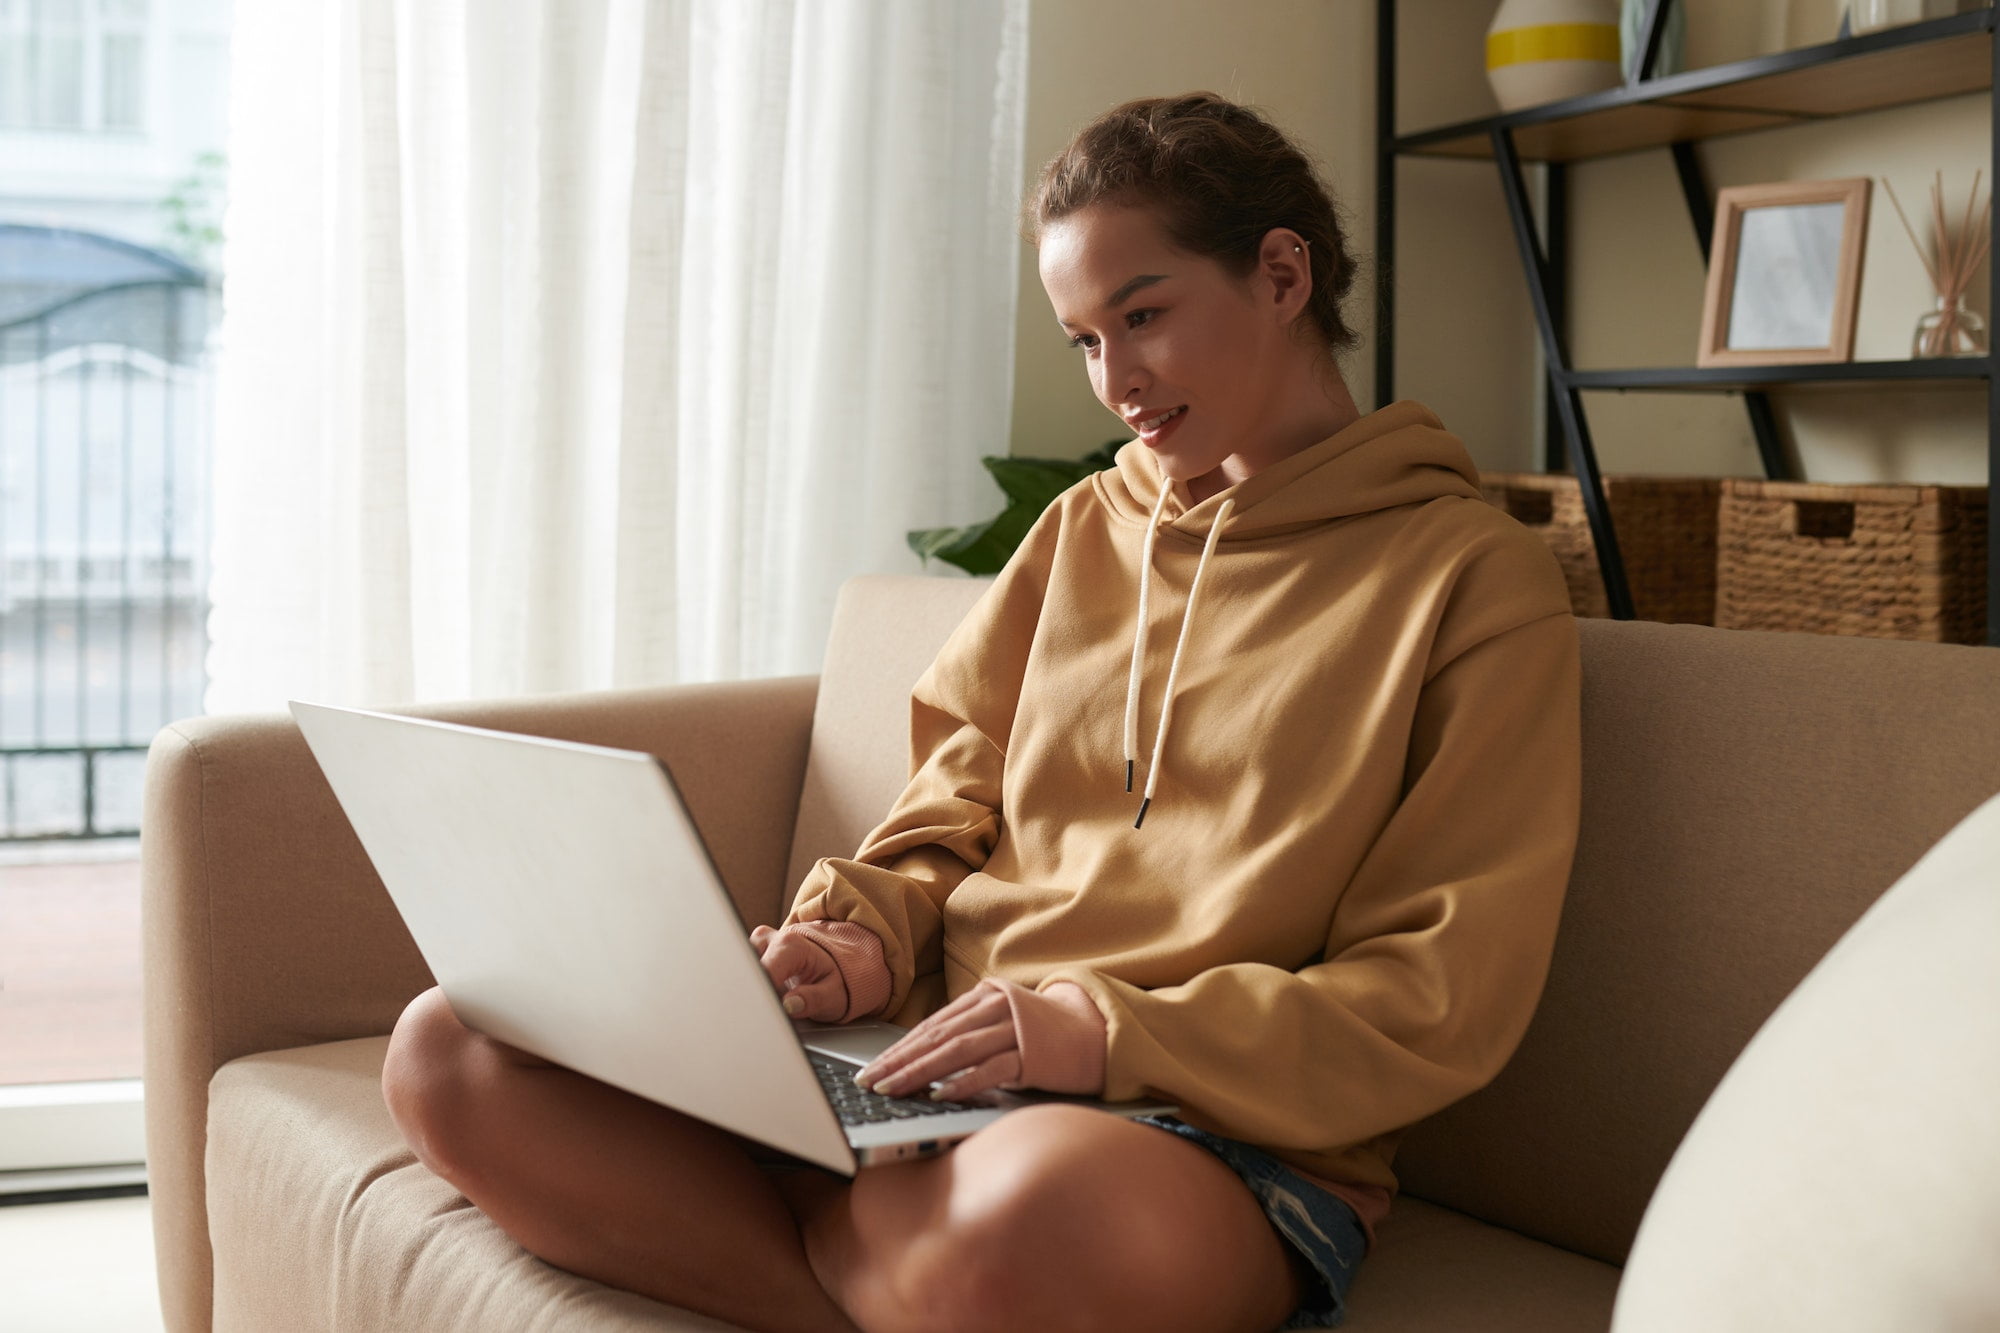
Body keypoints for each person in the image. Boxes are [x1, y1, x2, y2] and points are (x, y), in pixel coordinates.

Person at [380, 92, 1581, 1333]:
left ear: (1282, 273)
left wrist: (1089, 1031)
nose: (1115, 380)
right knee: (455, 1046)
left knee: (1025, 1220)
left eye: (1144, 315)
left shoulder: (1467, 578)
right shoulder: (1078, 532)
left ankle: (839, 1254)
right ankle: (890, 1275)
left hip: (1205, 1131)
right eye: (1082, 339)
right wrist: (860, 939)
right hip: (926, 1072)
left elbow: (1442, 988)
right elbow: (949, 800)